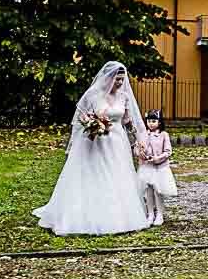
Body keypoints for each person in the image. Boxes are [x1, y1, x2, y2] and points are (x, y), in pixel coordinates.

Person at [33, 61, 150, 235]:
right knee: (93, 174)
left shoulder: (124, 96)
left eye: (122, 79)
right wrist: (91, 124)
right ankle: (85, 214)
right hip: (94, 142)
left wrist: (139, 138)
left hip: (117, 142)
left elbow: (128, 120)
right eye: (117, 79)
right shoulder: (94, 94)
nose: (120, 83)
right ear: (109, 77)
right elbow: (79, 119)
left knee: (117, 174)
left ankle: (118, 216)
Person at [136, 109, 177, 226]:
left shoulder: (163, 135)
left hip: (160, 167)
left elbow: (168, 151)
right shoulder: (143, 135)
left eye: (154, 121)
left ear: (159, 122)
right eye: (149, 121)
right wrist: (140, 153)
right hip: (147, 166)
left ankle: (159, 214)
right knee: (148, 190)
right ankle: (150, 214)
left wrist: (158, 158)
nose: (151, 123)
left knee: (157, 190)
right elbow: (137, 148)